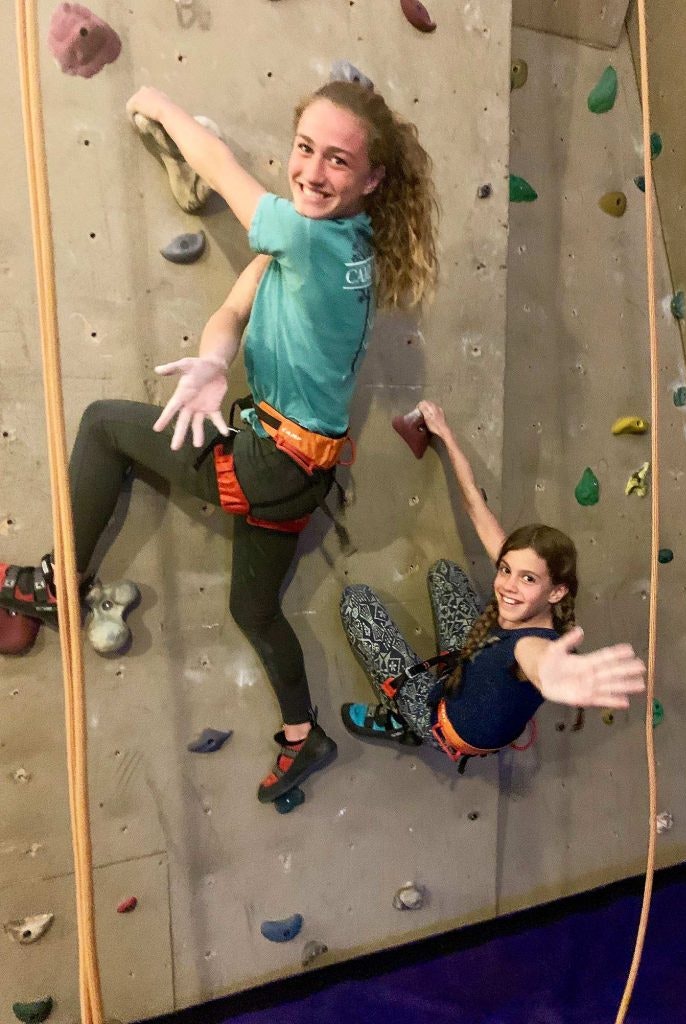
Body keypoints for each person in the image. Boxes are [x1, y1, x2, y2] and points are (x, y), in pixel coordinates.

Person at [0, 80, 439, 803]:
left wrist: (162, 106)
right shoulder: (336, 240)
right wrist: (211, 361)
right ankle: (306, 734)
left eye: (337, 161)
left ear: (372, 178)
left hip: (271, 459)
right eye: (305, 150)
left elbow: (219, 164)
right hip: (303, 466)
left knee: (106, 426)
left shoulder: (305, 236)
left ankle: (57, 586)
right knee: (253, 609)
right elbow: (236, 306)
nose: (311, 172)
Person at [340, 401, 645, 769]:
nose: (507, 587)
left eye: (528, 579)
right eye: (505, 570)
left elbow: (532, 656)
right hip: (470, 673)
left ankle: (404, 721)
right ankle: (443, 681)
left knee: (355, 603)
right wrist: (444, 431)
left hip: (439, 719)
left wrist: (551, 671)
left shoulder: (536, 646)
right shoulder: (532, 605)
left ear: (557, 591)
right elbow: (474, 505)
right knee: (445, 574)